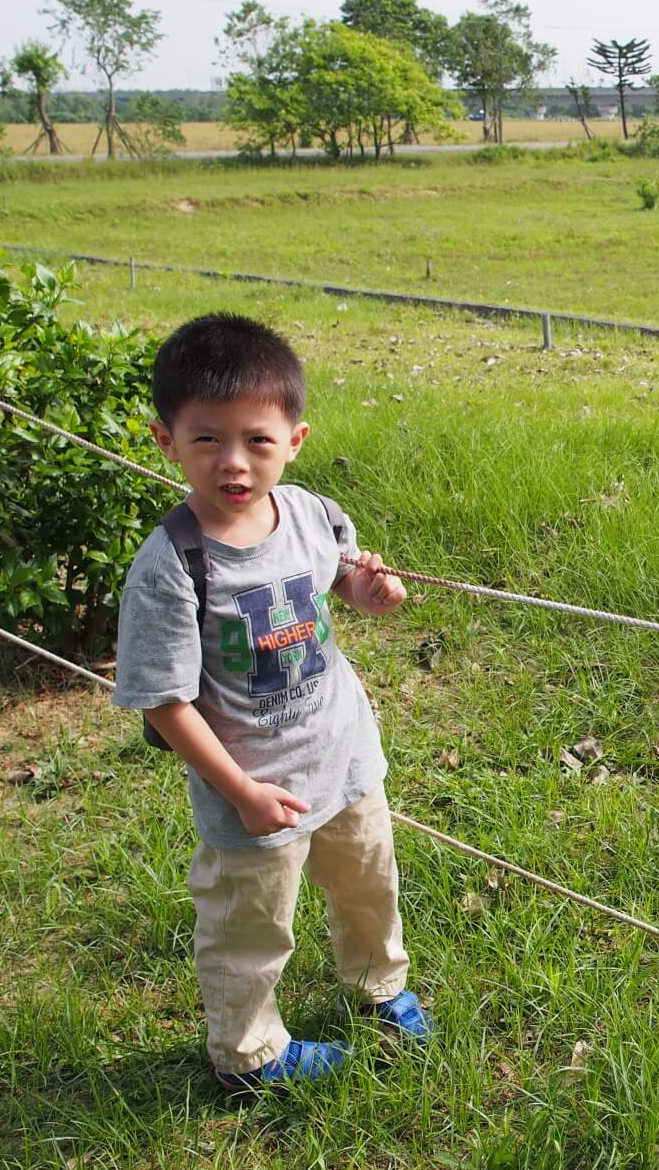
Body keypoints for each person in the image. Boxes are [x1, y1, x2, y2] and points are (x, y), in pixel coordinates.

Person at [112, 313, 431, 1091]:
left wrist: (369, 589)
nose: (233, 462)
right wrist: (242, 792)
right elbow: (164, 702)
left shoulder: (313, 515)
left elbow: (344, 579)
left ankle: (377, 984)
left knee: (368, 883)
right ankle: (249, 1053)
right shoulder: (171, 565)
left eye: (257, 440)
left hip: (344, 757)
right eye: (206, 440)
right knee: (250, 925)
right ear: (165, 440)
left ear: (295, 439)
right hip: (255, 788)